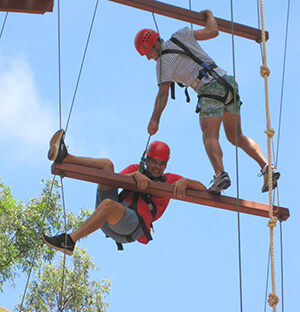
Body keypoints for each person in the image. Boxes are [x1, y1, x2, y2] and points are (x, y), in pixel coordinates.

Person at [134, 9, 280, 194]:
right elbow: (213, 31)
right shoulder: (181, 34)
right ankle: (267, 167)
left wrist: (154, 119)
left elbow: (163, 94)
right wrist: (209, 15)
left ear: (155, 44)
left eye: (148, 52)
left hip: (209, 89)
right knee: (236, 136)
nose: (148, 57)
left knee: (209, 135)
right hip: (228, 83)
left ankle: (220, 174)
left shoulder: (163, 63)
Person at [42, 129, 207, 255]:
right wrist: (132, 176)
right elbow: (111, 180)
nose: (157, 167)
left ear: (166, 165)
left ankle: (70, 240)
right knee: (107, 165)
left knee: (108, 205)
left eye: (162, 164)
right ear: (146, 160)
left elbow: (202, 189)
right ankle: (66, 158)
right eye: (154, 162)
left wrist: (186, 181)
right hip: (111, 214)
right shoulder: (136, 169)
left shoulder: (170, 180)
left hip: (133, 225)